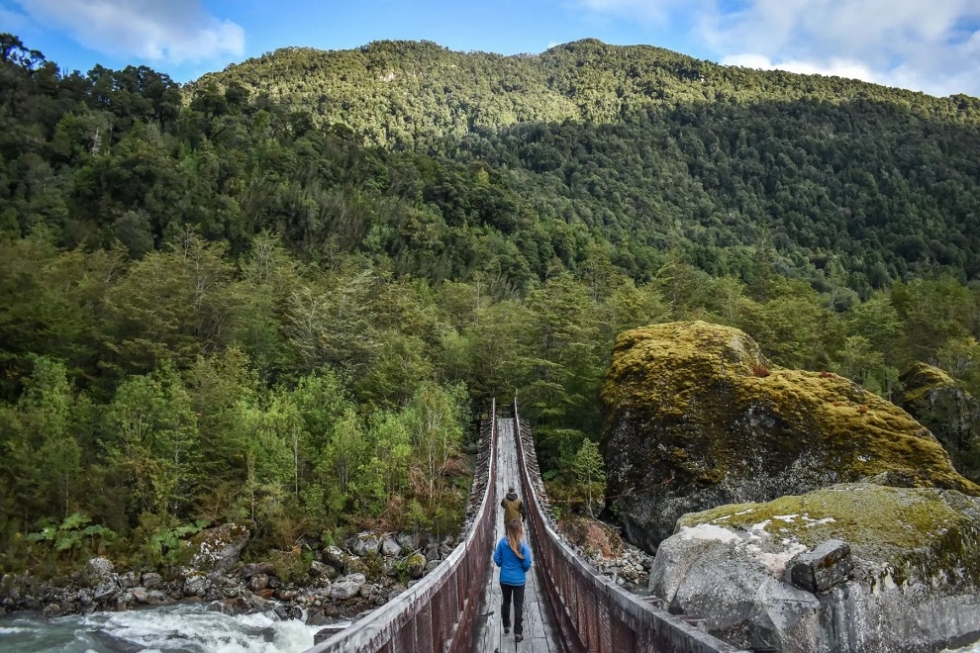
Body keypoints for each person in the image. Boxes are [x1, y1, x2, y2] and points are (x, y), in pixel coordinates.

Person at [493, 518, 532, 642]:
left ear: (508, 530)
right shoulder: (523, 545)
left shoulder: (502, 543)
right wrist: (522, 571)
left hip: (505, 579)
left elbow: (496, 557)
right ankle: (518, 633)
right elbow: (527, 562)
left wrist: (501, 564)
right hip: (519, 580)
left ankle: (506, 624)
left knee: (506, 601)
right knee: (518, 605)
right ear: (520, 530)